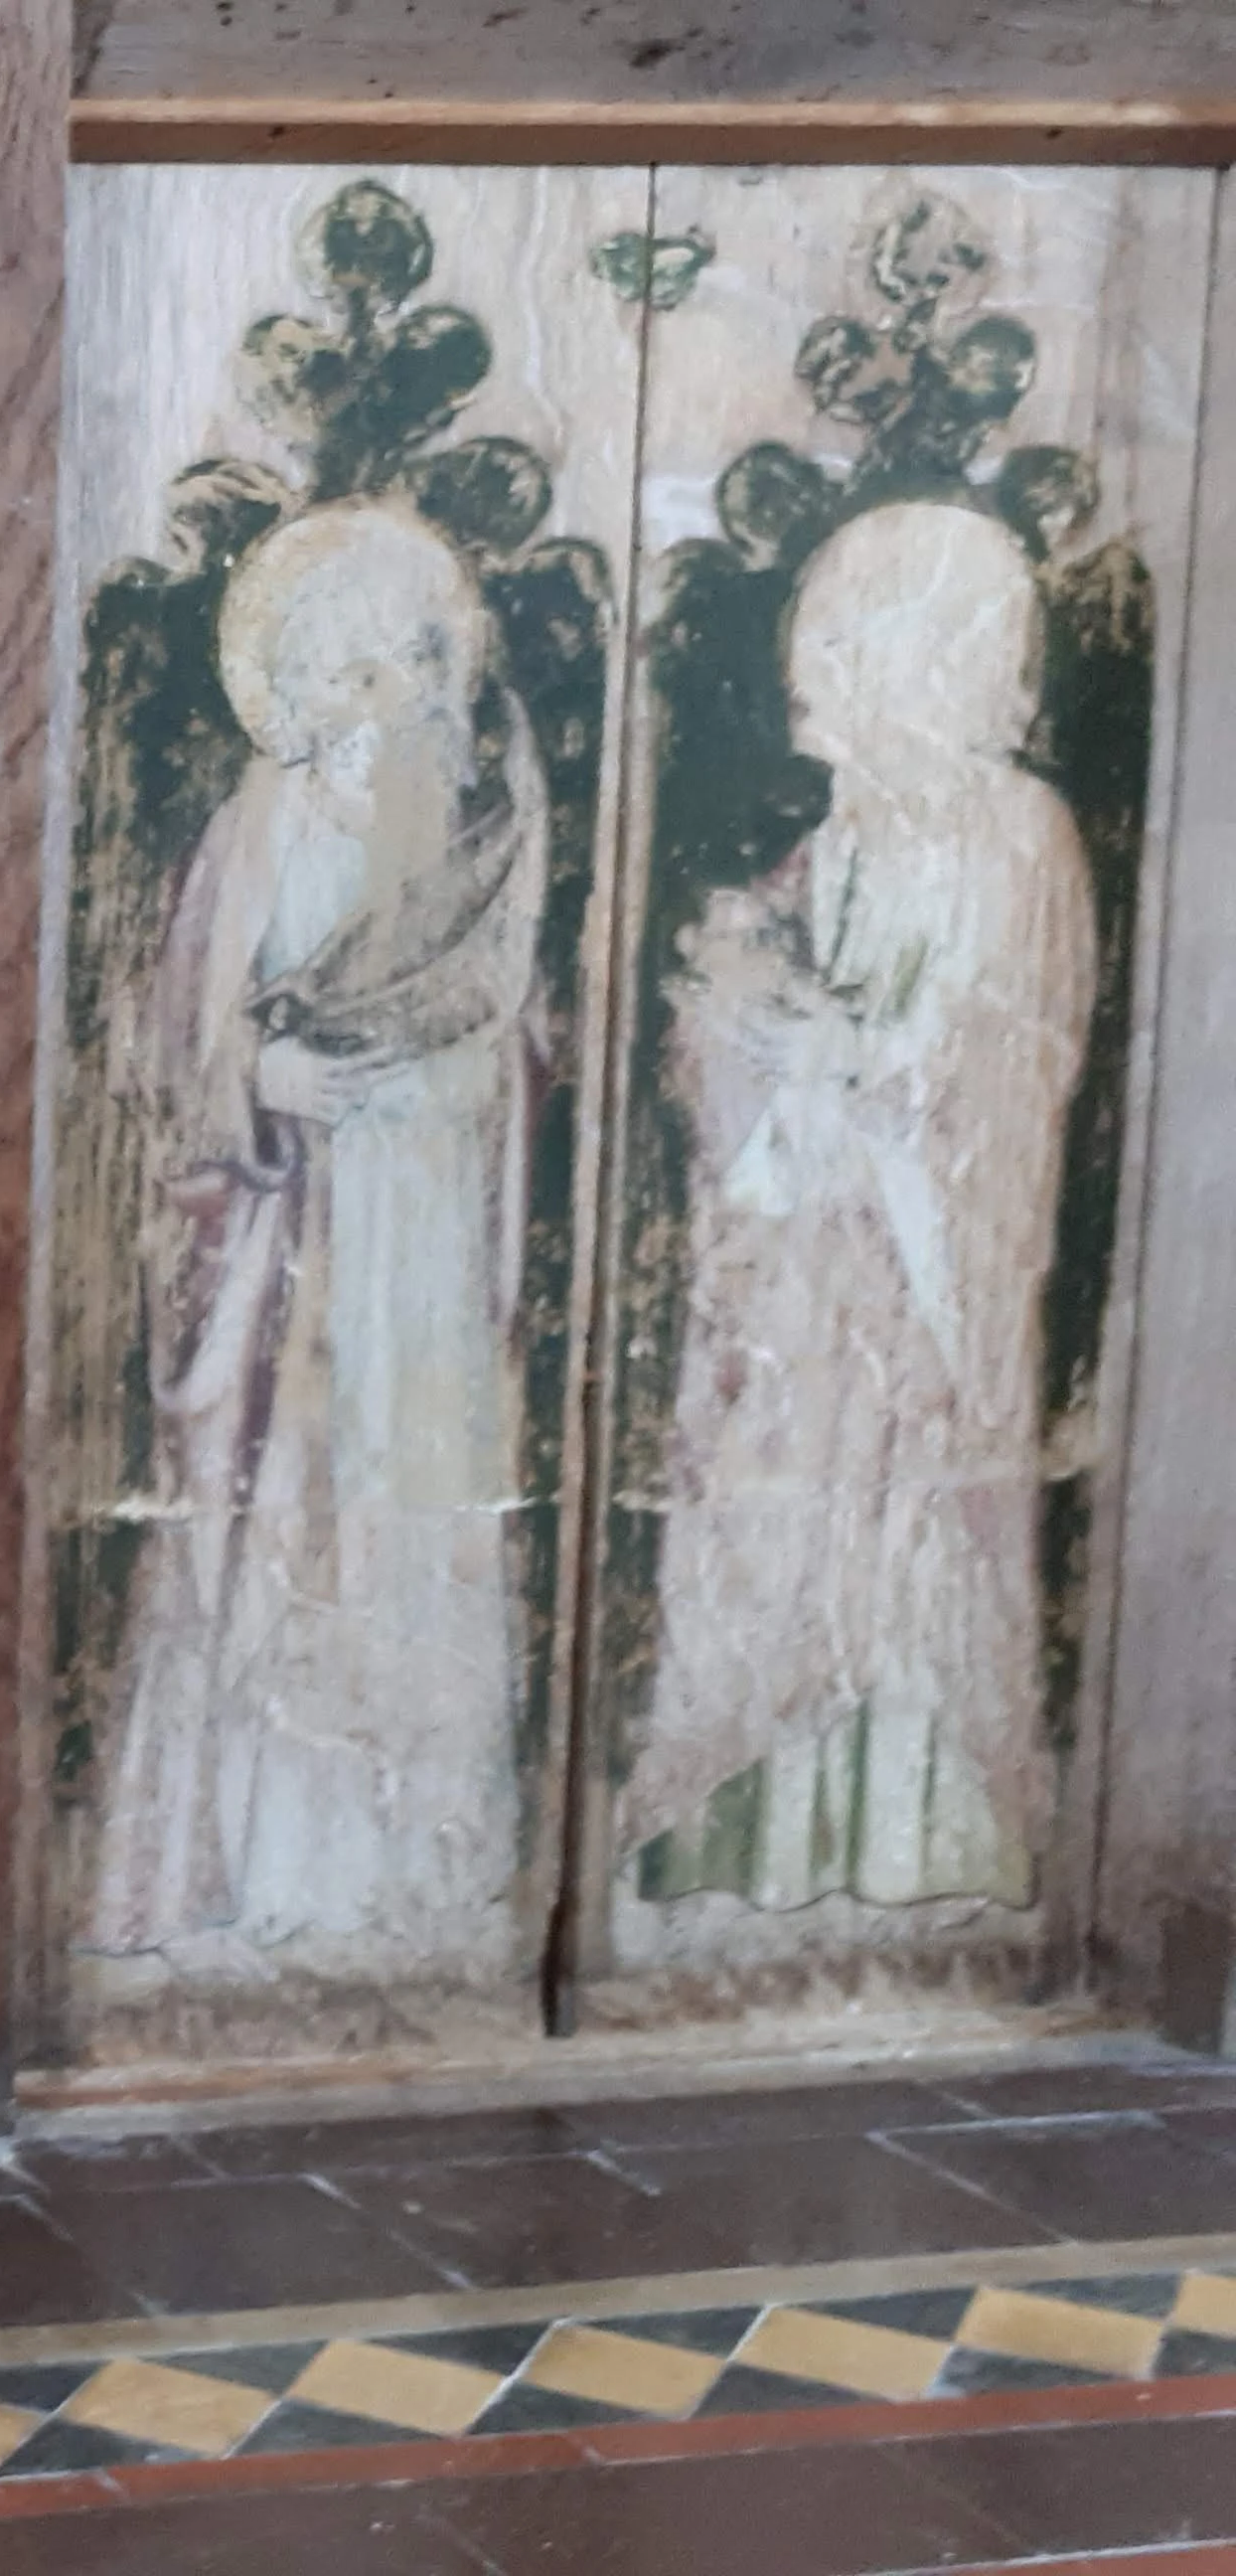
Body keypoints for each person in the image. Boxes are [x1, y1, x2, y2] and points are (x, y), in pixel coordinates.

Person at [85, 501, 542, 1968]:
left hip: (421, 1238)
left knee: (413, 1517)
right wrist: (264, 1081)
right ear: (294, 684)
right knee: (287, 1520)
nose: (377, 696)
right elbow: (176, 1043)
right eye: (345, 669)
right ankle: (265, 1857)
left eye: (404, 663)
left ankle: (411, 1867)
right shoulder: (261, 827)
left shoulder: (465, 837)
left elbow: (515, 1040)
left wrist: (457, 1086)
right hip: (293, 1242)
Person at [631, 500, 1090, 1911]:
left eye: (837, 645)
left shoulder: (1019, 834)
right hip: (809, 1273)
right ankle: (754, 1832)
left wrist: (859, 1069)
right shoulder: (833, 835)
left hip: (923, 1262)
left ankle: (913, 1832)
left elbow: (1013, 1052)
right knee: (783, 1517)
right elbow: (743, 1039)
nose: (807, 678)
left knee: (910, 1528)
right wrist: (733, 1014)